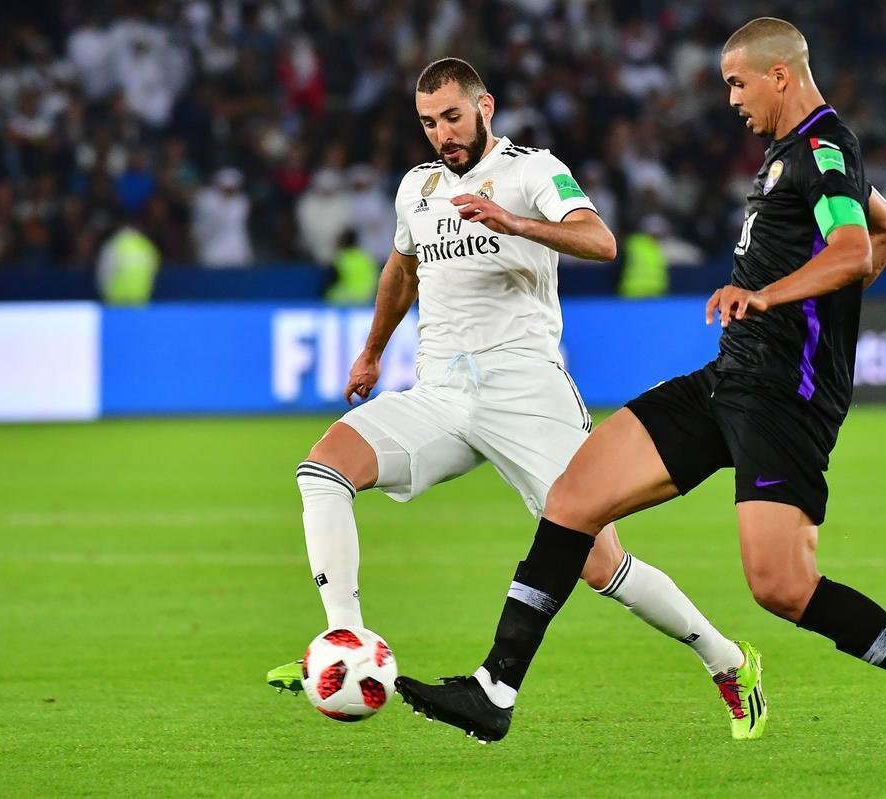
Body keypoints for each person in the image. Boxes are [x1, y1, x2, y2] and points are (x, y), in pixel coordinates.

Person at [395, 18, 886, 758]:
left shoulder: (819, 146)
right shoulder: (800, 154)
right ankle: (495, 689)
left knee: (782, 586)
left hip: (787, 394)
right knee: (573, 497)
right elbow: (884, 230)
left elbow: (850, 248)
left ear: (779, 75)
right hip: (729, 378)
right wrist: (821, 290)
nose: (731, 100)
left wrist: (775, 297)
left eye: (737, 82)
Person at [266, 58, 766, 741]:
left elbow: (600, 239)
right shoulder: (418, 187)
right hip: (442, 391)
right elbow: (401, 268)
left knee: (600, 563)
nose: (442, 133)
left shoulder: (532, 170)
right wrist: (373, 350)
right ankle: (345, 637)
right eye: (427, 122)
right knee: (322, 470)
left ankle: (728, 660)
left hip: (527, 388)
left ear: (485, 107)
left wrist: (515, 222)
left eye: (452, 116)